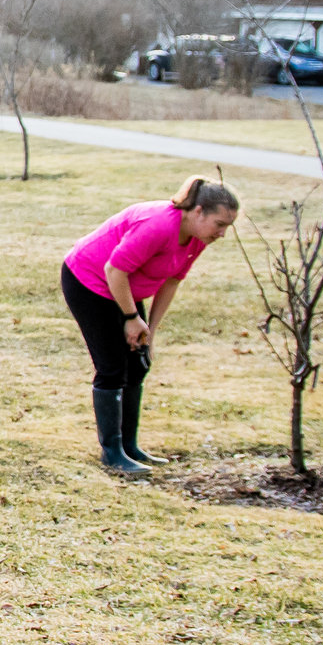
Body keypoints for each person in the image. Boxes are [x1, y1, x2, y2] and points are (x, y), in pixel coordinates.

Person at [61, 175, 240, 476]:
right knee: (112, 366)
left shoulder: (198, 238)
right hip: (90, 281)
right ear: (198, 212)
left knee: (138, 362)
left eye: (228, 227)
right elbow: (114, 270)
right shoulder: (158, 226)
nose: (222, 233)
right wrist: (132, 318)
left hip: (124, 289)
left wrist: (149, 331)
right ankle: (112, 453)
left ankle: (130, 446)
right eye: (220, 224)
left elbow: (171, 282)